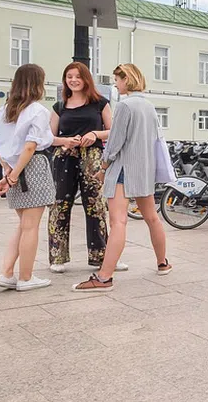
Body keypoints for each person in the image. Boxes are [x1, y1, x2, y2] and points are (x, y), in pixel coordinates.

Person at [74, 64, 171, 292]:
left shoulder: (125, 106)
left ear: (127, 79)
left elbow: (115, 143)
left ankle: (104, 277)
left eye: (117, 80)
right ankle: (163, 263)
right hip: (144, 170)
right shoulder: (149, 106)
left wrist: (103, 167)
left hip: (123, 170)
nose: (116, 85)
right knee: (152, 219)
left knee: (118, 222)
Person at [48, 62, 127, 273]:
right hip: (65, 157)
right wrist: (64, 141)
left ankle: (101, 256)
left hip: (92, 157)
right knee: (59, 205)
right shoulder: (60, 106)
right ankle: (57, 257)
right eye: (68, 77)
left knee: (95, 206)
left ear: (86, 79)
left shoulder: (100, 103)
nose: (73, 80)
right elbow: (48, 137)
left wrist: (94, 134)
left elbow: (113, 131)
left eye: (77, 76)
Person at [0, 63, 55, 291]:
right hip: (32, 167)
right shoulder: (38, 111)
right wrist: (14, 175)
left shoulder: (1, 111)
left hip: (12, 168)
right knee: (31, 227)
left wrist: (7, 170)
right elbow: (30, 147)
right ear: (38, 83)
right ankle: (26, 277)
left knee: (22, 225)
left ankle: (7, 272)